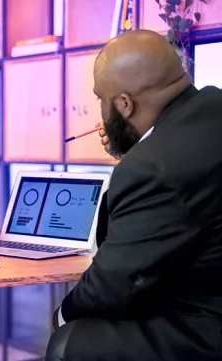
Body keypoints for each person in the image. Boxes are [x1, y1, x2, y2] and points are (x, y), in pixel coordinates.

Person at [46, 29, 222, 361]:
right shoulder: (211, 108)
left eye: (100, 99)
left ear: (124, 104)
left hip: (206, 326)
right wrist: (136, 149)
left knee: (68, 342)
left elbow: (114, 282)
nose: (100, 109)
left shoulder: (151, 166)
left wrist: (59, 317)